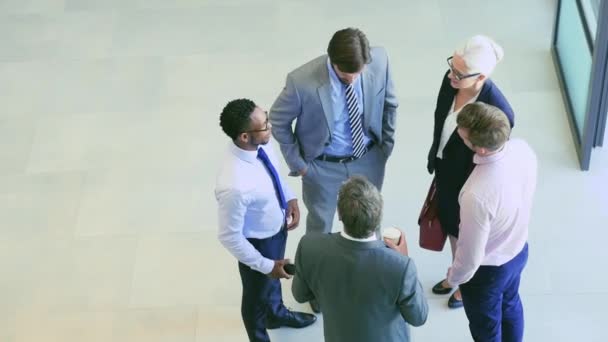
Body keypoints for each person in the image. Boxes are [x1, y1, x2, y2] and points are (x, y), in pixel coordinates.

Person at [269, 28, 398, 302]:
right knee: (320, 227)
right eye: (344, 74)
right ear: (332, 60)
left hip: (369, 159)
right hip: (322, 167)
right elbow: (278, 121)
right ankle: (317, 290)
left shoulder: (381, 59)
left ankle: (368, 279)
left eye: (358, 73)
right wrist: (300, 165)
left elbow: (390, 103)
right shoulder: (301, 81)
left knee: (369, 221)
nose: (352, 79)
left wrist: (385, 146)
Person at [215, 99, 316, 342]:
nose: (270, 126)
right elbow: (229, 236)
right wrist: (265, 265)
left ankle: (276, 314)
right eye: (264, 125)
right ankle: (259, 336)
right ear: (244, 137)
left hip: (276, 227)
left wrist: (289, 198)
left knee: (272, 283)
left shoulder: (262, 143)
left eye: (267, 118)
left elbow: (274, 173)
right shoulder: (234, 185)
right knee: (255, 295)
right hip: (257, 243)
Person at [426, 35, 515, 308]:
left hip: (467, 181)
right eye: (451, 66)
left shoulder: (498, 111)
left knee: (462, 232)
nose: (451, 75)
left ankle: (462, 283)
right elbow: (441, 120)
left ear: (481, 77)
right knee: (449, 223)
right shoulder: (451, 80)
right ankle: (457, 277)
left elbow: (492, 160)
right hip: (444, 168)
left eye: (459, 73)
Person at [292, 176, 428, 342]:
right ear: (378, 218)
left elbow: (299, 295)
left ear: (340, 214)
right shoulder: (401, 266)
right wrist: (403, 257)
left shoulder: (310, 246)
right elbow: (418, 317)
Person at [448, 102, 537, 341]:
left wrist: (453, 277)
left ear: (482, 149)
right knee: (511, 305)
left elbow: (470, 255)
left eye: (463, 135)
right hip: (518, 250)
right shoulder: (523, 149)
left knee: (486, 329)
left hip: (488, 273)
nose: (458, 132)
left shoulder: (475, 194)